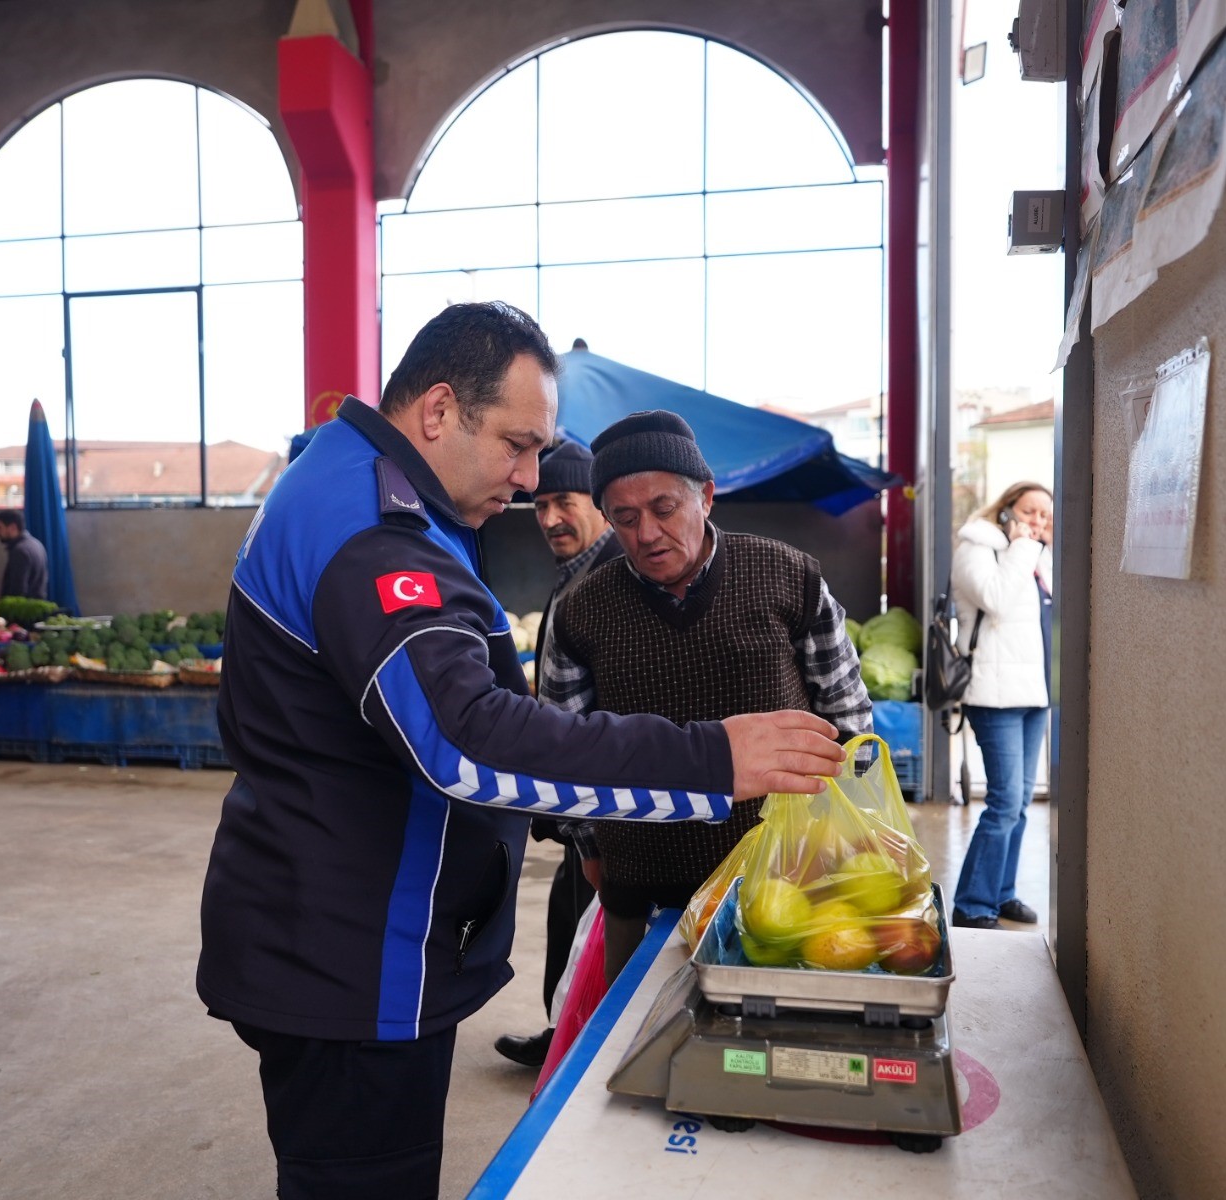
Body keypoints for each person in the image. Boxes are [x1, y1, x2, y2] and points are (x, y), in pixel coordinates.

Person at [196, 302, 845, 1200]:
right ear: (436, 412)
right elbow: (465, 737)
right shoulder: (375, 534)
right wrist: (712, 761)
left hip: (340, 930)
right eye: (517, 443)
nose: (533, 475)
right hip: (351, 955)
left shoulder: (354, 489)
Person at [544, 410, 875, 983]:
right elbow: (561, 748)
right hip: (640, 889)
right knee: (634, 1047)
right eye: (624, 518)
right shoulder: (581, 610)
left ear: (707, 497)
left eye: (664, 509)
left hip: (779, 882)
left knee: (768, 1038)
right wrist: (591, 851)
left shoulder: (787, 577)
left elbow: (847, 719)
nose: (647, 533)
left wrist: (834, 836)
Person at [492, 438, 620, 1070]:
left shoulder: (611, 578)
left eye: (562, 502)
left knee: (589, 920)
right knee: (568, 919)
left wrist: (588, 825)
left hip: (602, 798)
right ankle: (563, 1032)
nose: (548, 519)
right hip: (578, 798)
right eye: (539, 505)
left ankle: (575, 1045)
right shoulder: (581, 573)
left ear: (596, 503)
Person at [948, 480, 1054, 930]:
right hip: (994, 694)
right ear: (1006, 510)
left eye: (1045, 517)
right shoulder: (978, 545)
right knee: (1004, 803)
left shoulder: (1033, 559)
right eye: (1030, 512)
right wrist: (1024, 549)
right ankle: (972, 904)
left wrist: (1031, 553)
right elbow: (994, 599)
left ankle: (1002, 892)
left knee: (1022, 803)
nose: (1038, 522)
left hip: (1032, 692)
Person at [0, 509, 48, 599]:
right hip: (36, 606)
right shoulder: (36, 544)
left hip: (23, 610)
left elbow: (17, 591)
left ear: (13, 527)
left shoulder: (20, 551)